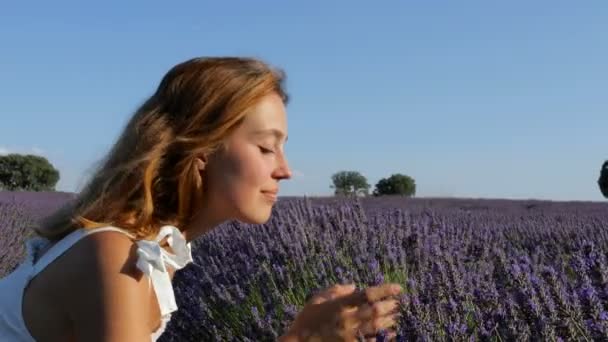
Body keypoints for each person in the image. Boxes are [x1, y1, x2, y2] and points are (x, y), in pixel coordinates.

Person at [0, 57, 403, 341]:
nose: (285, 169)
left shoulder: (157, 252)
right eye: (266, 147)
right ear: (202, 151)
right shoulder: (114, 256)